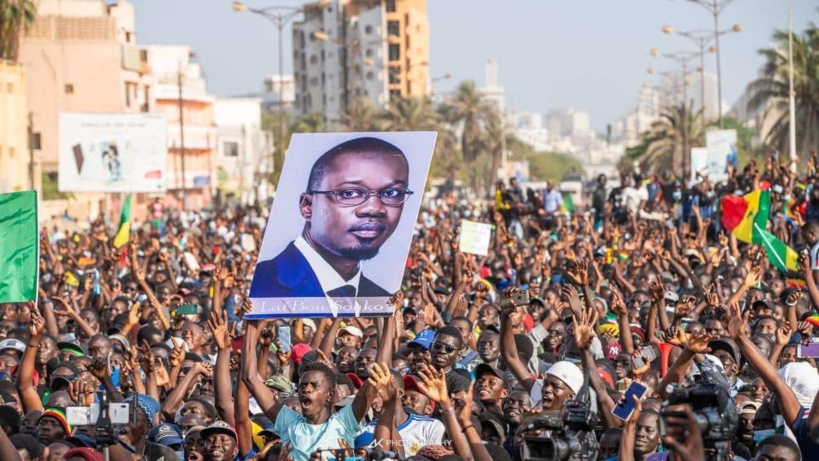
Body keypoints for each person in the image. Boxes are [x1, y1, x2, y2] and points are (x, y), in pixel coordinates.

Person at [250, 137, 412, 313]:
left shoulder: (381, 301)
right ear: (308, 206)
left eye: (392, 192)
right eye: (350, 193)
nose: (374, 208)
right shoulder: (265, 285)